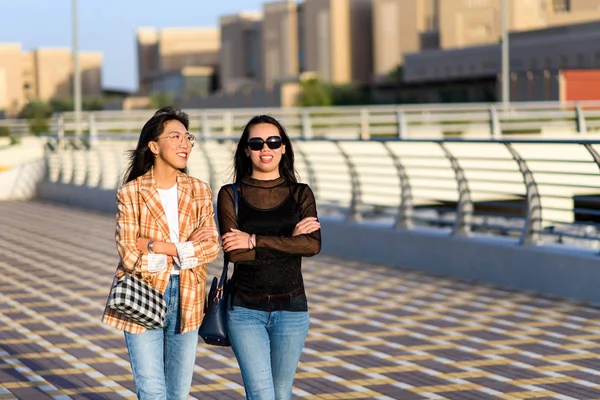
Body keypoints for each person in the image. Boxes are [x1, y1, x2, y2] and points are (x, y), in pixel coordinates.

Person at [101, 107, 220, 400]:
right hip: (143, 293)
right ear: (154, 146)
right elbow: (130, 254)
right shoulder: (131, 193)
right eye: (175, 136)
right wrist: (185, 249)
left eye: (188, 137)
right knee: (152, 391)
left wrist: (157, 246)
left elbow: (211, 247)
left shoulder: (199, 190)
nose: (185, 144)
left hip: (189, 297)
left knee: (177, 393)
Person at [217, 115, 321, 400]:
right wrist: (290, 241)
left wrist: (254, 240)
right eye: (257, 143)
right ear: (246, 150)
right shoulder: (231, 194)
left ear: (284, 148)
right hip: (245, 311)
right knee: (262, 394)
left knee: (281, 392)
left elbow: (311, 246)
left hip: (292, 309)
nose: (266, 149)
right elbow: (235, 252)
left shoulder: (301, 194)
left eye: (274, 142)